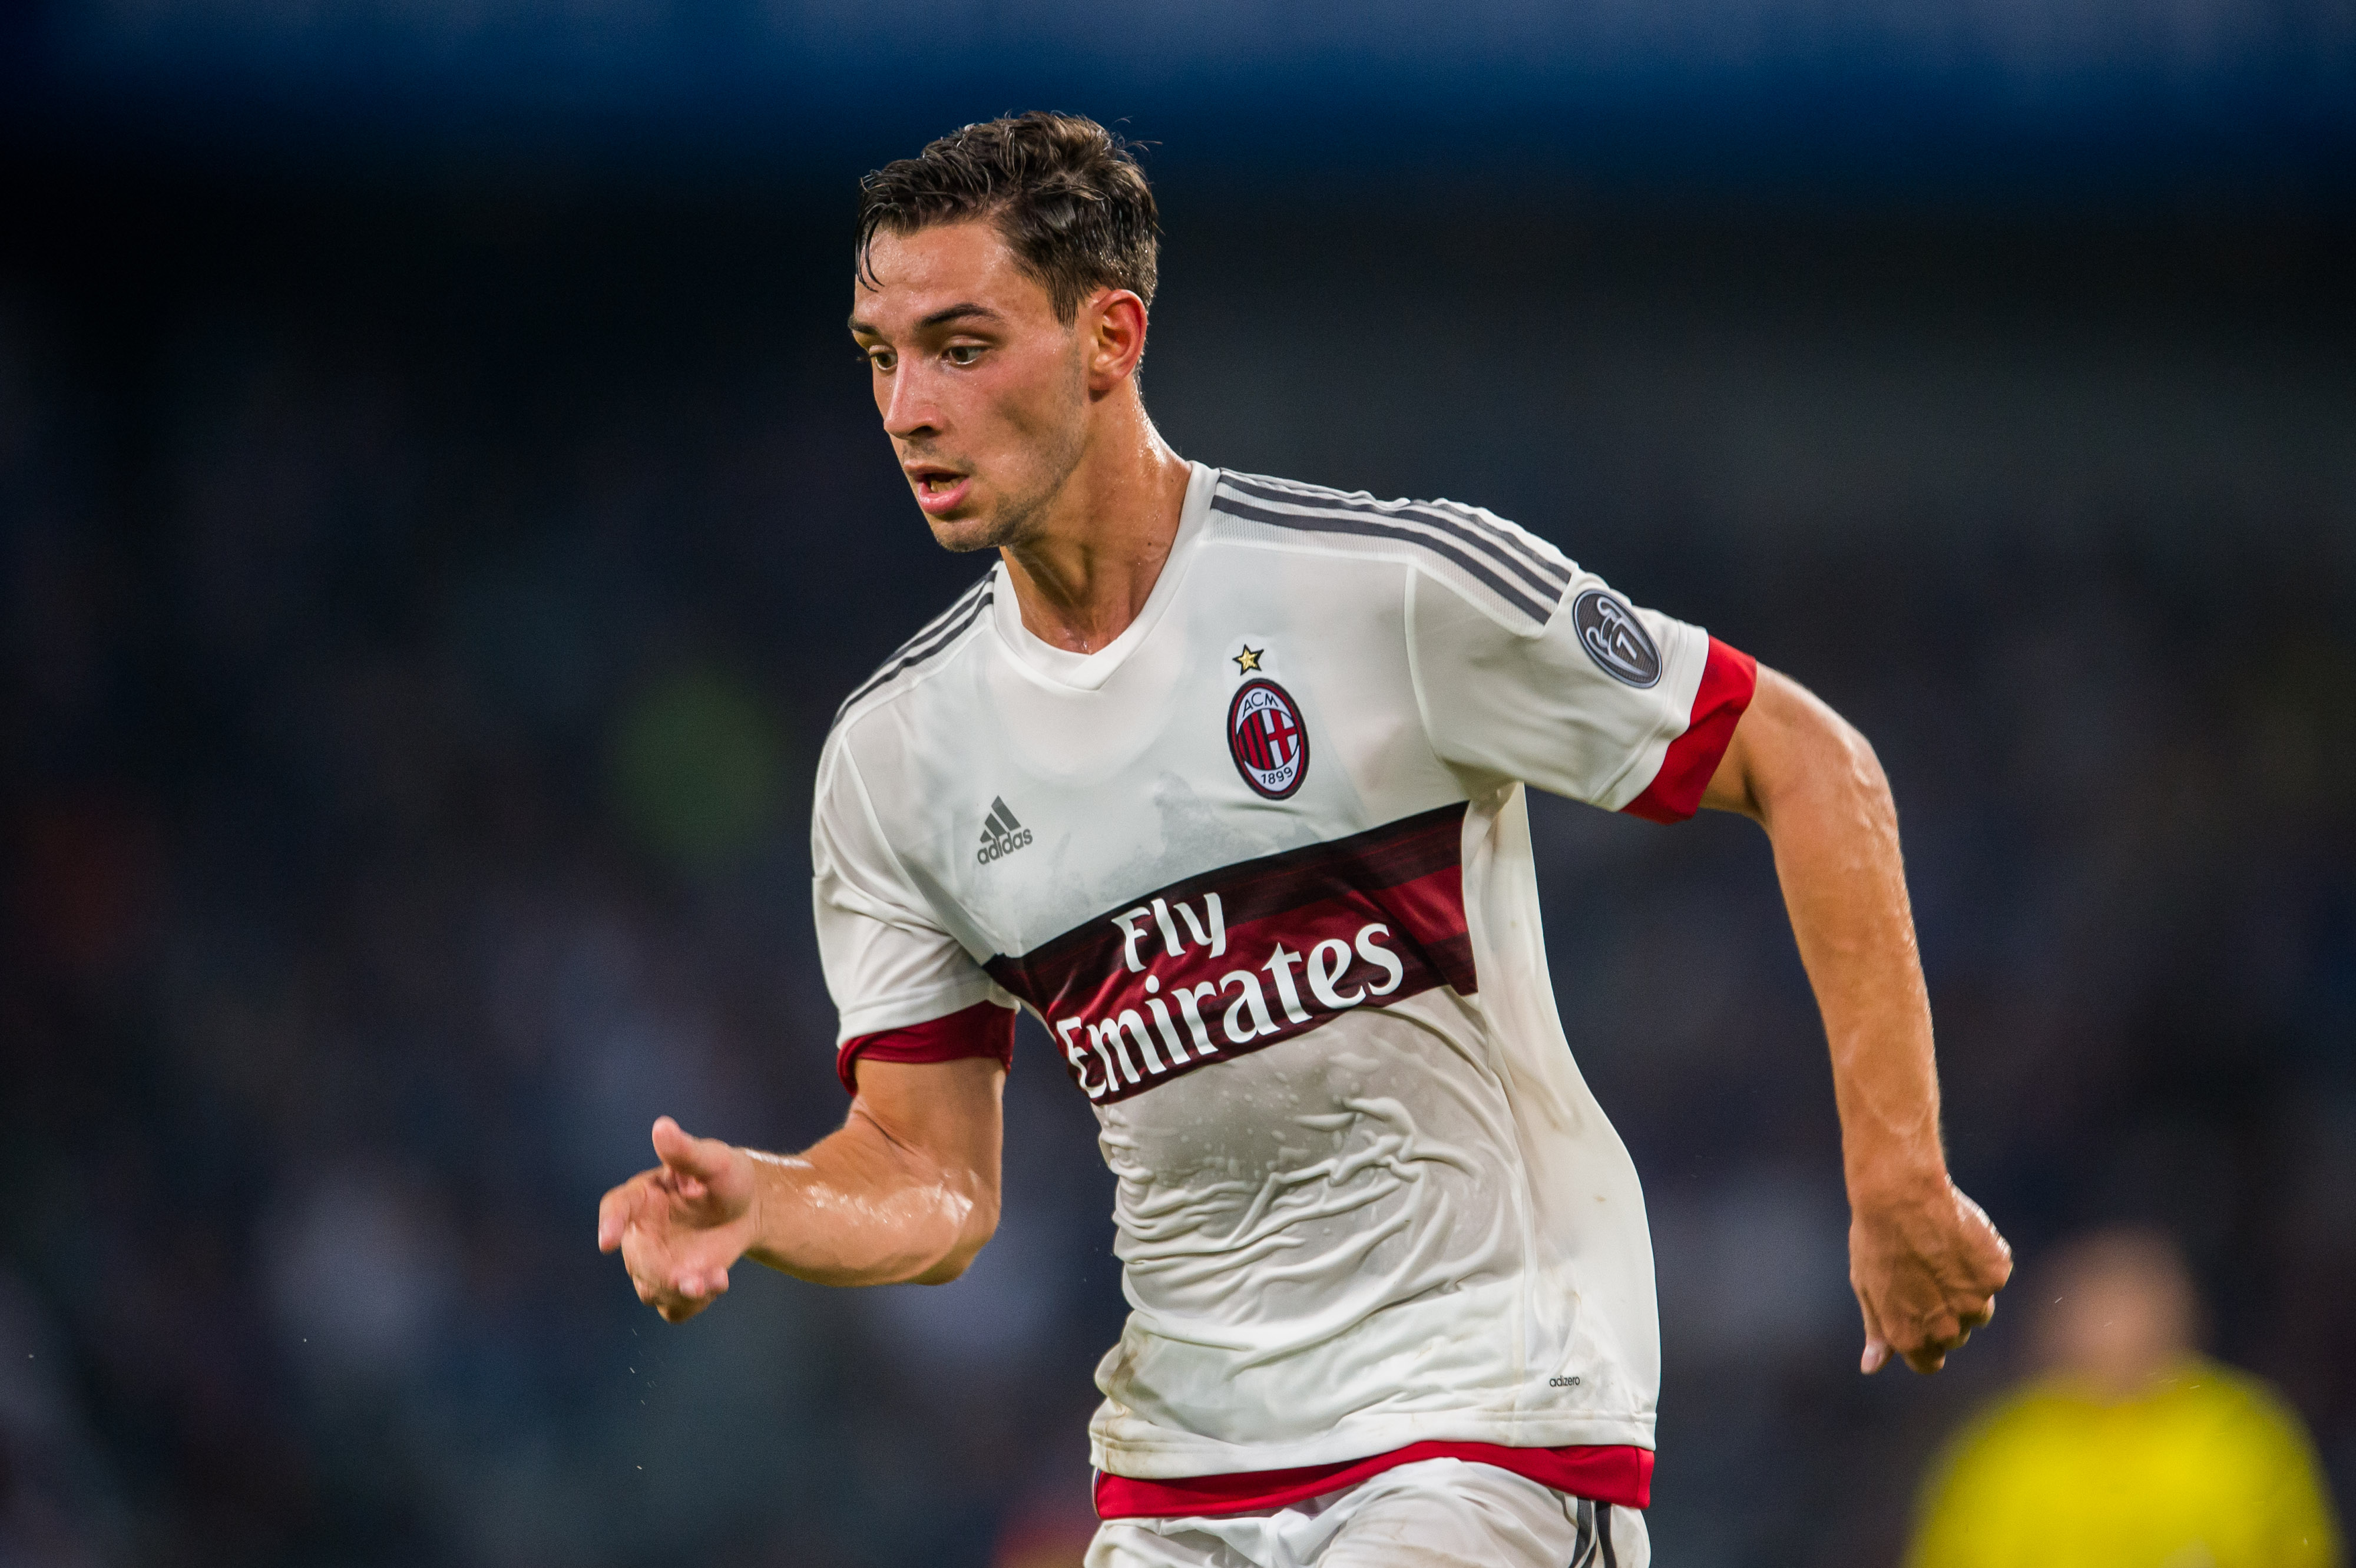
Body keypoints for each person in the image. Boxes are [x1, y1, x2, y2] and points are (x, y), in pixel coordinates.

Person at [595, 111, 2014, 1567]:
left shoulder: (1381, 593)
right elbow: (934, 1180)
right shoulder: (895, 758)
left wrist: (1896, 1176)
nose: (905, 405)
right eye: (879, 355)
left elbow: (1809, 759)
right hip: (1180, 1470)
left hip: (1483, 1421)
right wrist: (771, 1197)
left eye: (959, 346)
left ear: (1108, 339)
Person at [1907, 1227, 2343, 1568]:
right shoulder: (2003, 1455)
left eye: (2132, 1298)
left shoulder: (2241, 1436)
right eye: (2096, 1303)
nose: (2113, 1325)